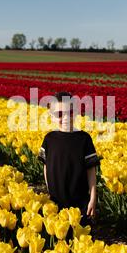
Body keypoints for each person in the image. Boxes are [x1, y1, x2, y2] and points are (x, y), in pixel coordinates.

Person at [38, 91, 101, 229]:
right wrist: (49, 190)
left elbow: (91, 169)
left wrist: (93, 198)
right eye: (59, 114)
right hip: (56, 201)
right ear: (51, 116)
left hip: (80, 202)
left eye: (70, 112)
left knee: (81, 238)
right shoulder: (49, 139)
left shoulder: (84, 139)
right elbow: (46, 166)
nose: (65, 117)